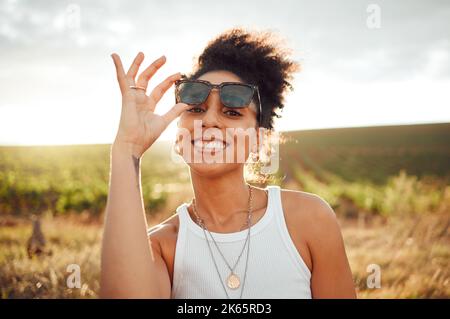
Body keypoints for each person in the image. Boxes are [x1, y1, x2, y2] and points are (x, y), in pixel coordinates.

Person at [100, 27, 356, 299]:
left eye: (232, 112)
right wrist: (127, 148)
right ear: (178, 137)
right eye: (195, 109)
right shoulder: (161, 247)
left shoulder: (309, 219)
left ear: (259, 140)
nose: (208, 121)